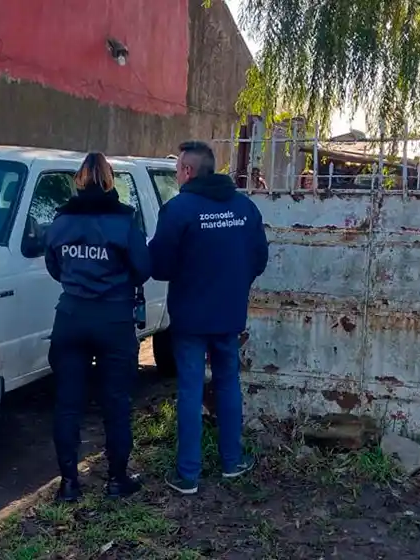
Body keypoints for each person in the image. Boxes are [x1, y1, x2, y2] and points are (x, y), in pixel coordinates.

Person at [148, 141, 269, 495]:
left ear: (187, 171)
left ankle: (188, 474)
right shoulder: (244, 208)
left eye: (177, 170)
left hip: (189, 318)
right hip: (229, 314)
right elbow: (259, 259)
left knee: (189, 389)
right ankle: (232, 461)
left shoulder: (178, 210)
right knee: (228, 383)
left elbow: (159, 265)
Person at [44, 152, 152, 502]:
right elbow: (142, 268)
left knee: (67, 404)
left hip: (71, 317)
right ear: (109, 181)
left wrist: (79, 282)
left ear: (78, 180)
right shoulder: (123, 221)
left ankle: (68, 484)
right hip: (113, 319)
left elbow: (53, 265)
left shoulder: (61, 220)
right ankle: (117, 479)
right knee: (116, 402)